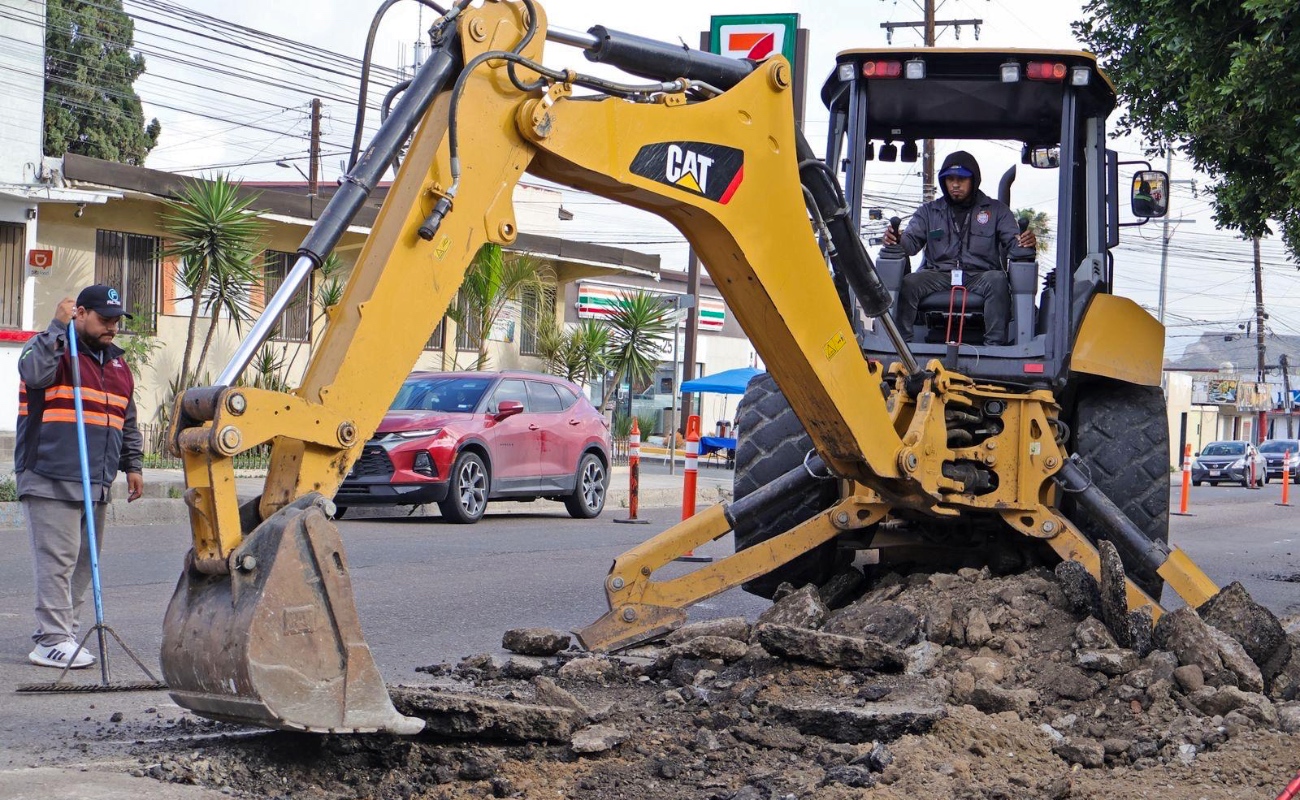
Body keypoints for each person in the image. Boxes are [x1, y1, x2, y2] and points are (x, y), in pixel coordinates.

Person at [16, 285, 144, 669]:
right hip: (49, 475)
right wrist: (57, 328)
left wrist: (133, 465)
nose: (112, 328)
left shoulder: (118, 366)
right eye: (104, 319)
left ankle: (65, 634)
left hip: (96, 480)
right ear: (81, 314)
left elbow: (126, 420)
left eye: (116, 321)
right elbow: (31, 372)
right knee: (58, 563)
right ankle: (51, 640)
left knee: (85, 564)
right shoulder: (52, 349)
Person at [885, 151, 1037, 345]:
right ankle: (902, 345)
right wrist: (897, 240)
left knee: (998, 280)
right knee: (909, 283)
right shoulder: (928, 212)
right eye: (950, 179)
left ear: (974, 180)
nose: (955, 185)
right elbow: (911, 243)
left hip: (979, 275)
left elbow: (1013, 243)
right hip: (938, 274)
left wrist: (1024, 241)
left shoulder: (996, 210)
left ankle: (994, 346)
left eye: (961, 179)